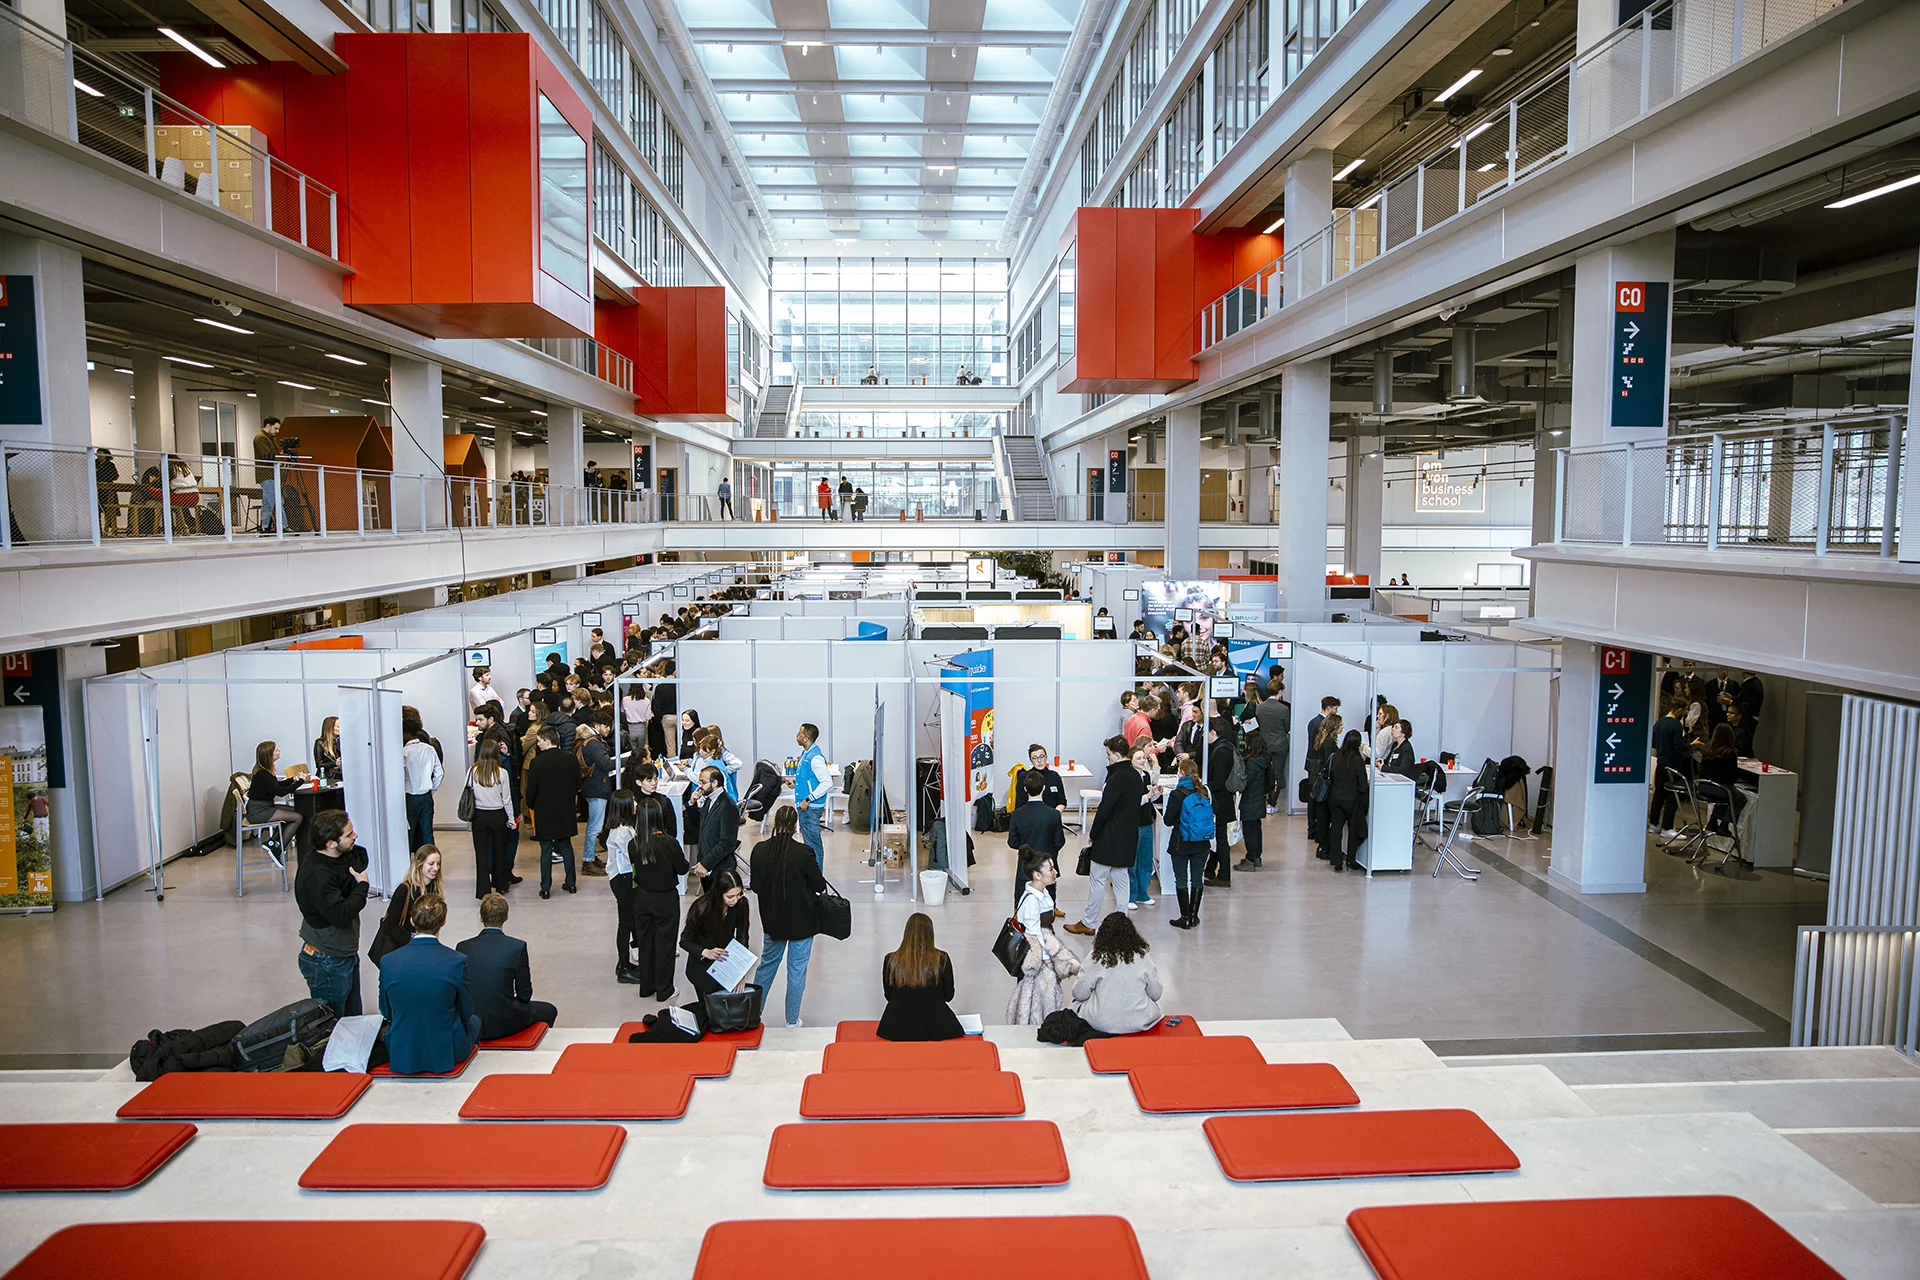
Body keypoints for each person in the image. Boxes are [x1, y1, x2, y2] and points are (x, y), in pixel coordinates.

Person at [377, 895, 478, 1076]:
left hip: (402, 1050)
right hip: (446, 1050)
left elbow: (386, 1011)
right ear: (443, 922)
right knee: (475, 1022)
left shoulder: (388, 961)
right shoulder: (456, 961)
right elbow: (466, 1011)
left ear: (412, 921)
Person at [750, 804, 829, 1028]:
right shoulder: (804, 853)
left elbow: (755, 886)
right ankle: (792, 1019)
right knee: (797, 970)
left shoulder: (759, 850)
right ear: (795, 825)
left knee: (766, 966)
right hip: (802, 921)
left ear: (775, 823)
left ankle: (754, 1014)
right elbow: (819, 885)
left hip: (772, 920)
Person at [1068, 736, 1144, 936]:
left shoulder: (1116, 778)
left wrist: (1093, 834)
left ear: (1117, 755)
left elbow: (1104, 810)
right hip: (1128, 837)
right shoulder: (1136, 776)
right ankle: (1122, 922)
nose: (1107, 758)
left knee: (1098, 879)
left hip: (1109, 838)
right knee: (1121, 879)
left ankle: (1089, 921)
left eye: (1109, 754)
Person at [294, 811, 369, 1015]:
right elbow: (341, 914)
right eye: (349, 834)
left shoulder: (336, 856)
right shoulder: (318, 875)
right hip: (328, 960)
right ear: (330, 843)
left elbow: (360, 857)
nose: (355, 837)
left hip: (342, 954)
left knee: (352, 1016)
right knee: (332, 1022)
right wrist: (362, 886)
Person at [457, 893, 558, 1039]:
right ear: (506, 916)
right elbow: (525, 995)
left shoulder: (463, 947)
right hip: (504, 1021)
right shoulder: (516, 947)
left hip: (473, 1020)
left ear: (481, 917)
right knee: (549, 1010)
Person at [631, 773, 691, 999]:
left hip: (642, 898)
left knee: (645, 944)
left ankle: (646, 987)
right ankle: (664, 989)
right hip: (665, 899)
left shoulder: (633, 843)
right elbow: (683, 868)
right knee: (665, 946)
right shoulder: (668, 843)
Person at [1007, 850, 1079, 1026]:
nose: (1055, 872)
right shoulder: (1032, 900)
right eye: (1051, 869)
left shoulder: (1043, 892)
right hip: (1035, 958)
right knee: (1033, 1002)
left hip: (1042, 952)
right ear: (1038, 875)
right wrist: (1048, 961)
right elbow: (1035, 934)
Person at [877, 912, 963, 1041]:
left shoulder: (891, 960)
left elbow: (889, 996)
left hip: (896, 1027)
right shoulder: (942, 959)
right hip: (936, 1026)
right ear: (931, 934)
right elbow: (948, 996)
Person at [1072, 913, 1163, 1035]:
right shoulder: (1142, 955)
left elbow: (1079, 993)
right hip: (1139, 1021)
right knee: (1155, 1006)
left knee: (1074, 1005)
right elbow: (1156, 994)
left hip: (1100, 1023)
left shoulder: (1096, 956)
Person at [680, 869, 750, 1004]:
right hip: (701, 968)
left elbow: (743, 938)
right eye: (730, 896)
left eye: (738, 894)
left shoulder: (741, 904)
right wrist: (706, 952)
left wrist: (740, 972)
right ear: (719, 893)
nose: (735, 900)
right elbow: (685, 940)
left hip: (725, 966)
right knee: (708, 1009)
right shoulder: (701, 907)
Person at [524, 728, 579, 897]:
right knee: (566, 846)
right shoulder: (570, 759)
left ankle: (546, 887)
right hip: (566, 809)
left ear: (548, 741)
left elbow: (531, 789)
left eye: (539, 741)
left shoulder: (537, 762)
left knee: (546, 849)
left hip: (544, 810)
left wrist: (531, 805)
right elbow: (578, 784)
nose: (538, 744)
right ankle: (571, 884)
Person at [369, 843, 443, 969]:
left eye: (438, 864)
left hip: (423, 948)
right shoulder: (404, 890)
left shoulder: (435, 889)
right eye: (431, 864)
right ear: (419, 863)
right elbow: (390, 925)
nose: (436, 868)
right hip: (403, 950)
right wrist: (413, 939)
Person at [1162, 759, 1212, 929]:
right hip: (1202, 843)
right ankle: (1194, 916)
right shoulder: (1203, 791)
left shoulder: (1177, 794)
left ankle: (1184, 917)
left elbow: (1168, 821)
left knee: (1181, 879)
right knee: (1197, 878)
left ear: (1181, 773)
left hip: (1181, 843)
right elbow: (1215, 811)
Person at [467, 735, 517, 897]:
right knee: (499, 850)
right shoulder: (501, 773)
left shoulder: (473, 771)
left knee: (481, 853)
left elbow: (469, 793)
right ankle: (501, 884)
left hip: (479, 816)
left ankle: (482, 889)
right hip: (498, 815)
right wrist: (511, 819)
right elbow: (507, 799)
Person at [245, 741, 306, 861]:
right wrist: (300, 782)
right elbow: (280, 792)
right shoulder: (263, 774)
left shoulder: (265, 771)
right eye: (276, 750)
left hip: (264, 807)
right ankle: (279, 849)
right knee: (297, 817)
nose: (279, 751)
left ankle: (272, 842)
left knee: (294, 812)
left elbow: (276, 786)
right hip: (258, 811)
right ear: (269, 755)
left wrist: (292, 780)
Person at [1322, 729, 1370, 872]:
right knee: (1353, 830)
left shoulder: (1335, 756)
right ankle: (1351, 860)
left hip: (1335, 799)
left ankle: (1336, 861)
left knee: (1336, 829)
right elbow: (1362, 784)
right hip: (1352, 800)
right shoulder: (1357, 760)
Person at [577, 723, 615, 879]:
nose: (608, 730)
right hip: (597, 787)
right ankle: (588, 861)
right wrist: (626, 760)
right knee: (595, 827)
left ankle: (591, 857)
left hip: (593, 786)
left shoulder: (589, 741)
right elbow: (606, 764)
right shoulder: (594, 743)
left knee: (594, 825)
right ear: (598, 726)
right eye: (607, 727)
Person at [1203, 720, 1238, 888]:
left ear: (1213, 732)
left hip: (1221, 801)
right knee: (1219, 838)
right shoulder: (1225, 747)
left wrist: (1203, 785)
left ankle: (1224, 875)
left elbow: (1219, 781)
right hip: (1224, 800)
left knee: (1221, 840)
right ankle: (1211, 869)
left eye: (1206, 732)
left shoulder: (1220, 751)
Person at [792, 721, 831, 868]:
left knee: (813, 846)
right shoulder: (806, 753)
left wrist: (808, 799)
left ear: (806, 738)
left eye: (799, 734)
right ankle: (812, 879)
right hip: (806, 807)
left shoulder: (815, 757)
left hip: (810, 808)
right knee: (809, 845)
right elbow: (808, 778)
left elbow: (827, 783)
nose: (797, 736)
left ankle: (817, 884)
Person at [693, 764, 742, 880]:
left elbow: (727, 842)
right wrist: (691, 804)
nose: (700, 786)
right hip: (707, 865)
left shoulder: (728, 806)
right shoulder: (709, 800)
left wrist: (706, 864)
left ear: (714, 783)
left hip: (719, 869)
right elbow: (701, 826)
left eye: (702, 782)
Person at [1648, 699, 1687, 838]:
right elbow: (1679, 747)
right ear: (1680, 710)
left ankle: (1654, 824)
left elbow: (1653, 743)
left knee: (1659, 794)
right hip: (1673, 765)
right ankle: (1667, 827)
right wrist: (1692, 746)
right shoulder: (1676, 726)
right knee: (1673, 795)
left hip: (1661, 763)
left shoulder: (1659, 723)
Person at [1306, 710, 1343, 849]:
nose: (1342, 727)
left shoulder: (1325, 740)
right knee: (1323, 812)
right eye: (1341, 725)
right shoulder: (1329, 744)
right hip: (1327, 780)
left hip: (1320, 776)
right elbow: (1330, 763)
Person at [1007, 769, 1065, 859]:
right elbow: (1059, 841)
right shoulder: (1054, 814)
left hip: (1025, 864)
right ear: (1044, 788)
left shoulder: (1016, 814)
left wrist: (1026, 850)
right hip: (1048, 861)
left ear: (1025, 789)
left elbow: (1012, 842)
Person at [1235, 729, 1270, 871]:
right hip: (1259, 798)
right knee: (1256, 829)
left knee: (1249, 831)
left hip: (1250, 800)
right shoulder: (1265, 760)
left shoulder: (1251, 764)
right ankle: (1256, 857)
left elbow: (1245, 783)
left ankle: (1250, 859)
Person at [1129, 743, 1160, 907]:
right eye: (1138, 758)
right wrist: (1147, 796)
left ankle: (1143, 892)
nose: (1142, 761)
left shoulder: (1146, 776)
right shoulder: (1129, 778)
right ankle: (1131, 896)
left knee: (1146, 860)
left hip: (1147, 821)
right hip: (1134, 823)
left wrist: (1154, 793)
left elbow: (1148, 799)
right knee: (1132, 862)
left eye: (1143, 757)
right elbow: (1132, 802)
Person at [403, 727, 442, 853]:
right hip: (426, 796)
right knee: (427, 833)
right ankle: (433, 863)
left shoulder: (404, 752)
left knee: (409, 833)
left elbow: (401, 776)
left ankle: (408, 866)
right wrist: (432, 788)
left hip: (410, 797)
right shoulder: (429, 749)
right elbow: (439, 773)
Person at [1253, 679, 1290, 811]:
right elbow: (1287, 727)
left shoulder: (1260, 707)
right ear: (1280, 691)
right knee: (1278, 774)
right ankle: (1273, 803)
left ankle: (1265, 798)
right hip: (1280, 745)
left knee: (1265, 772)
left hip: (1264, 744)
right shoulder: (1284, 709)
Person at [1014, 743, 1068, 815]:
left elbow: (1062, 801)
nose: (1039, 761)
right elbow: (1020, 804)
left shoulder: (1054, 776)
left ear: (1046, 757)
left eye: (1041, 757)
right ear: (1031, 760)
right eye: (1035, 758)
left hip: (1051, 817)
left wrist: (1054, 815)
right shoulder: (1024, 777)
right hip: (1030, 817)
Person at [253, 416, 281, 534]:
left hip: (271, 474)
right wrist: (279, 456)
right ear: (268, 426)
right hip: (266, 474)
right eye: (275, 428)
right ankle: (282, 525)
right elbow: (267, 456)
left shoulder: (270, 438)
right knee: (277, 500)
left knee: (267, 502)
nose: (277, 431)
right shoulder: (260, 438)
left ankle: (266, 525)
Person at [312, 716, 342, 782]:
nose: (341, 728)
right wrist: (335, 763)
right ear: (330, 728)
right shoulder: (320, 743)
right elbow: (319, 765)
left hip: (340, 775)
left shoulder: (340, 741)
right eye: (338, 726)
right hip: (328, 777)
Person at [1372, 703, 1400, 769]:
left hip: (1383, 763)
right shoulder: (1390, 730)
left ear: (1387, 716)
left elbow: (1377, 754)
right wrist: (1377, 728)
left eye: (1380, 714)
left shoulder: (1385, 731)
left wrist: (1364, 747)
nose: (1377, 716)